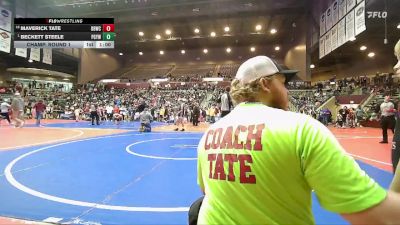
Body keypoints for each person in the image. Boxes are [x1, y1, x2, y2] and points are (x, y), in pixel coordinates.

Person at [193, 55, 400, 225]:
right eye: (283, 84)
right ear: (265, 84)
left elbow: (206, 191)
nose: (287, 91)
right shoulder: (301, 129)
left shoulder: (210, 133)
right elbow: (372, 212)